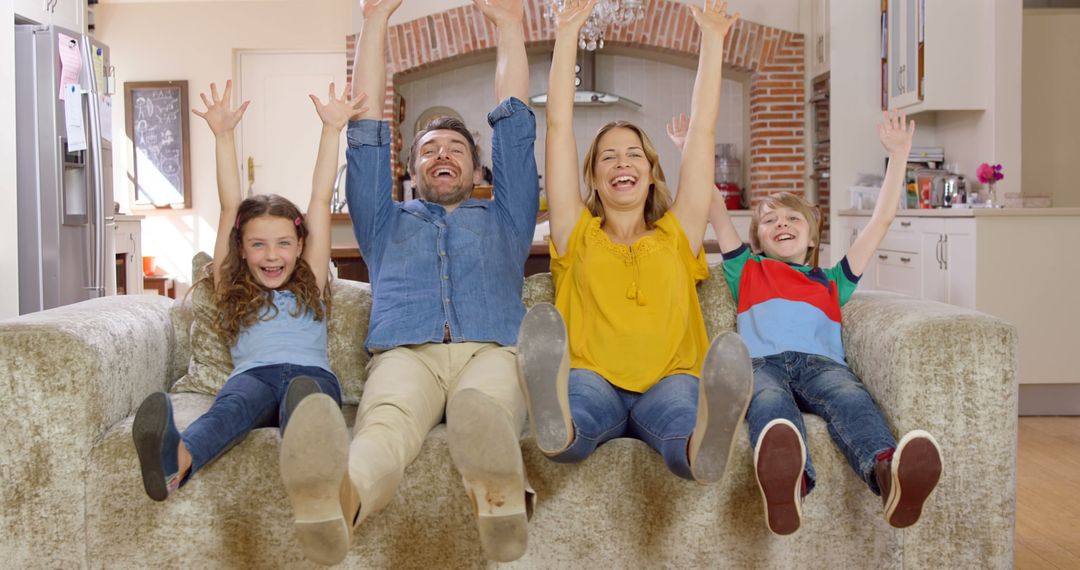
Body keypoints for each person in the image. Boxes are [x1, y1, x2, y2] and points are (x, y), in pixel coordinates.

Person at [279, 0, 540, 564]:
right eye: (428, 151)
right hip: (405, 354)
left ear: (477, 171)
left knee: (487, 407)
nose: (442, 155)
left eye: (456, 150)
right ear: (411, 170)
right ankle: (341, 500)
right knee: (383, 429)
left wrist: (509, 26)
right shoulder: (383, 219)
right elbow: (366, 130)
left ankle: (499, 501)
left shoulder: (508, 216)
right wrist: (373, 20)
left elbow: (515, 122)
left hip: (490, 348)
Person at [516, 0, 752, 486]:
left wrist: (712, 38)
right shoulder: (574, 232)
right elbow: (558, 127)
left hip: (671, 378)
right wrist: (567, 34)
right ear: (595, 176)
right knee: (576, 409)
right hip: (590, 376)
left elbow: (702, 132)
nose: (622, 163)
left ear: (650, 172)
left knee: (684, 422)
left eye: (633, 155)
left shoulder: (679, 233)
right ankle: (556, 425)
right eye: (608, 157)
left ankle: (702, 446)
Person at [131, 80, 367, 502]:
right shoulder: (230, 285)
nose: (271, 255)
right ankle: (176, 461)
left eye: (282, 244)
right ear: (241, 248)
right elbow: (229, 205)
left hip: (311, 377)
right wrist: (223, 136)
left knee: (306, 402)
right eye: (258, 244)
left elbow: (317, 197)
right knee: (230, 408)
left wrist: (332, 131)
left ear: (300, 247)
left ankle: (310, 464)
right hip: (252, 378)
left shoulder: (310, 281)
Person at [709, 109, 943, 535]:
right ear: (757, 239)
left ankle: (889, 475)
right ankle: (788, 486)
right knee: (769, 406)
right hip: (763, 365)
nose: (781, 224)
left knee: (850, 398)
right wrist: (694, 148)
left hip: (823, 366)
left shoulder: (833, 281)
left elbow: (881, 221)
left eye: (792, 218)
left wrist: (899, 157)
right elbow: (713, 207)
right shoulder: (746, 269)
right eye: (770, 221)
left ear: (813, 237)